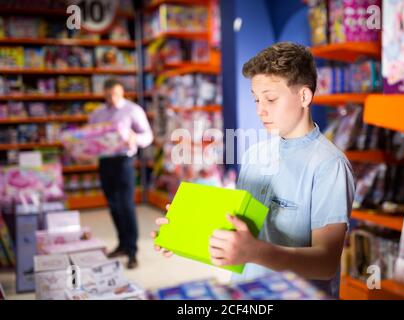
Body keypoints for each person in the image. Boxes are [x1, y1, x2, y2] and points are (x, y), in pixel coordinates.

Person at [151, 42, 355, 298]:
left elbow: (325, 263)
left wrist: (256, 252)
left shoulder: (330, 165)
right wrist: (183, 232)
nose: (260, 110)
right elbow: (240, 229)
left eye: (270, 98)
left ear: (304, 96)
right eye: (256, 99)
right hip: (247, 293)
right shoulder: (254, 155)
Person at [90, 78, 153, 269]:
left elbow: (148, 136)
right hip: (104, 161)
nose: (112, 98)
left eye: (115, 94)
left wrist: (135, 138)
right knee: (113, 204)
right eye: (108, 95)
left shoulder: (133, 110)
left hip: (124, 161)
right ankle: (122, 244)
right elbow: (91, 137)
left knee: (126, 205)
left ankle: (132, 251)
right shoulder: (97, 114)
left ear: (122, 92)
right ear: (103, 94)